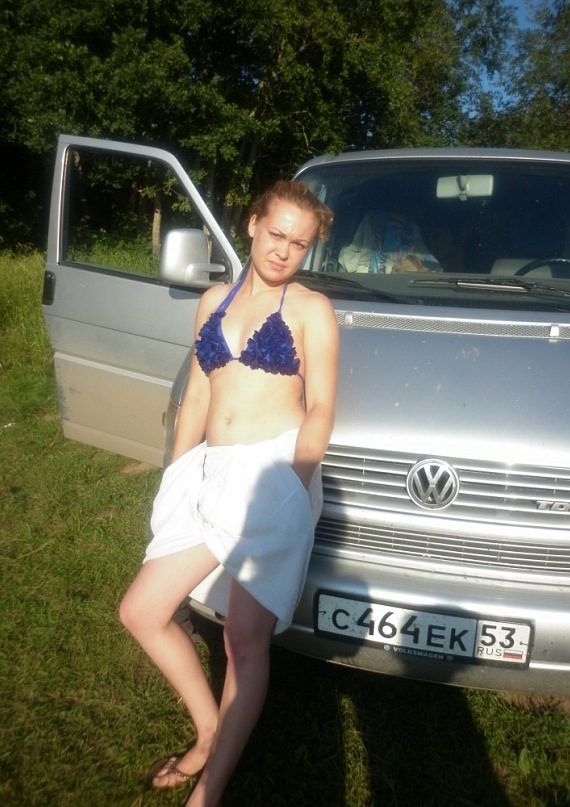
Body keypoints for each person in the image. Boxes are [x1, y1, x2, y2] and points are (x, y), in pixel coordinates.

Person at [119, 180, 338, 807]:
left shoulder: (312, 309)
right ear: (252, 224)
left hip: (273, 476)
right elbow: (198, 394)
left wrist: (293, 487)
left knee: (242, 639)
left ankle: (208, 792)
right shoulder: (213, 301)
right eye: (277, 234)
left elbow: (321, 409)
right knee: (141, 611)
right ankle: (210, 729)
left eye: (299, 244)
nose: (284, 251)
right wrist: (177, 475)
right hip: (210, 471)